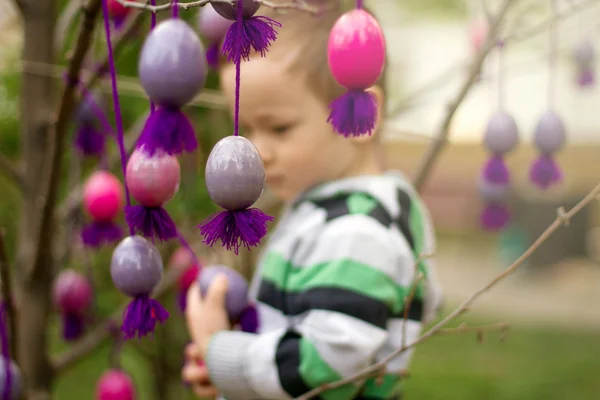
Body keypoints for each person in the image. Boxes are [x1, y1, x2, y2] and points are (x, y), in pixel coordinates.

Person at [182, 1, 443, 399]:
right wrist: (231, 374)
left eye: (279, 128)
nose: (257, 151)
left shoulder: (358, 231)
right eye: (248, 128)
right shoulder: (345, 211)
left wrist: (223, 351)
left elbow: (327, 361)